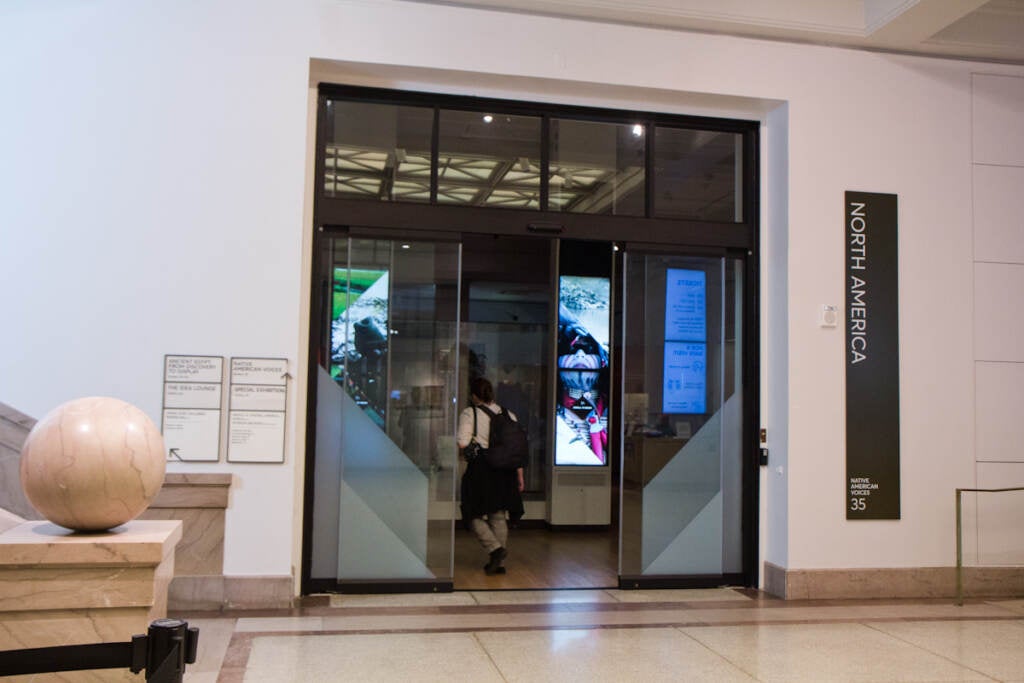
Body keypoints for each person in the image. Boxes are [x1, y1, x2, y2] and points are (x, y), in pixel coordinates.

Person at [457, 377, 525, 575]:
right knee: (498, 515)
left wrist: (475, 444)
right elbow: (516, 448)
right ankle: (499, 565)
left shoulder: (470, 413)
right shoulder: (509, 414)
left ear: (474, 395)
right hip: (506, 470)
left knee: (471, 512)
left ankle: (495, 550)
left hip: (482, 468)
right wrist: (519, 474)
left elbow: (462, 442)